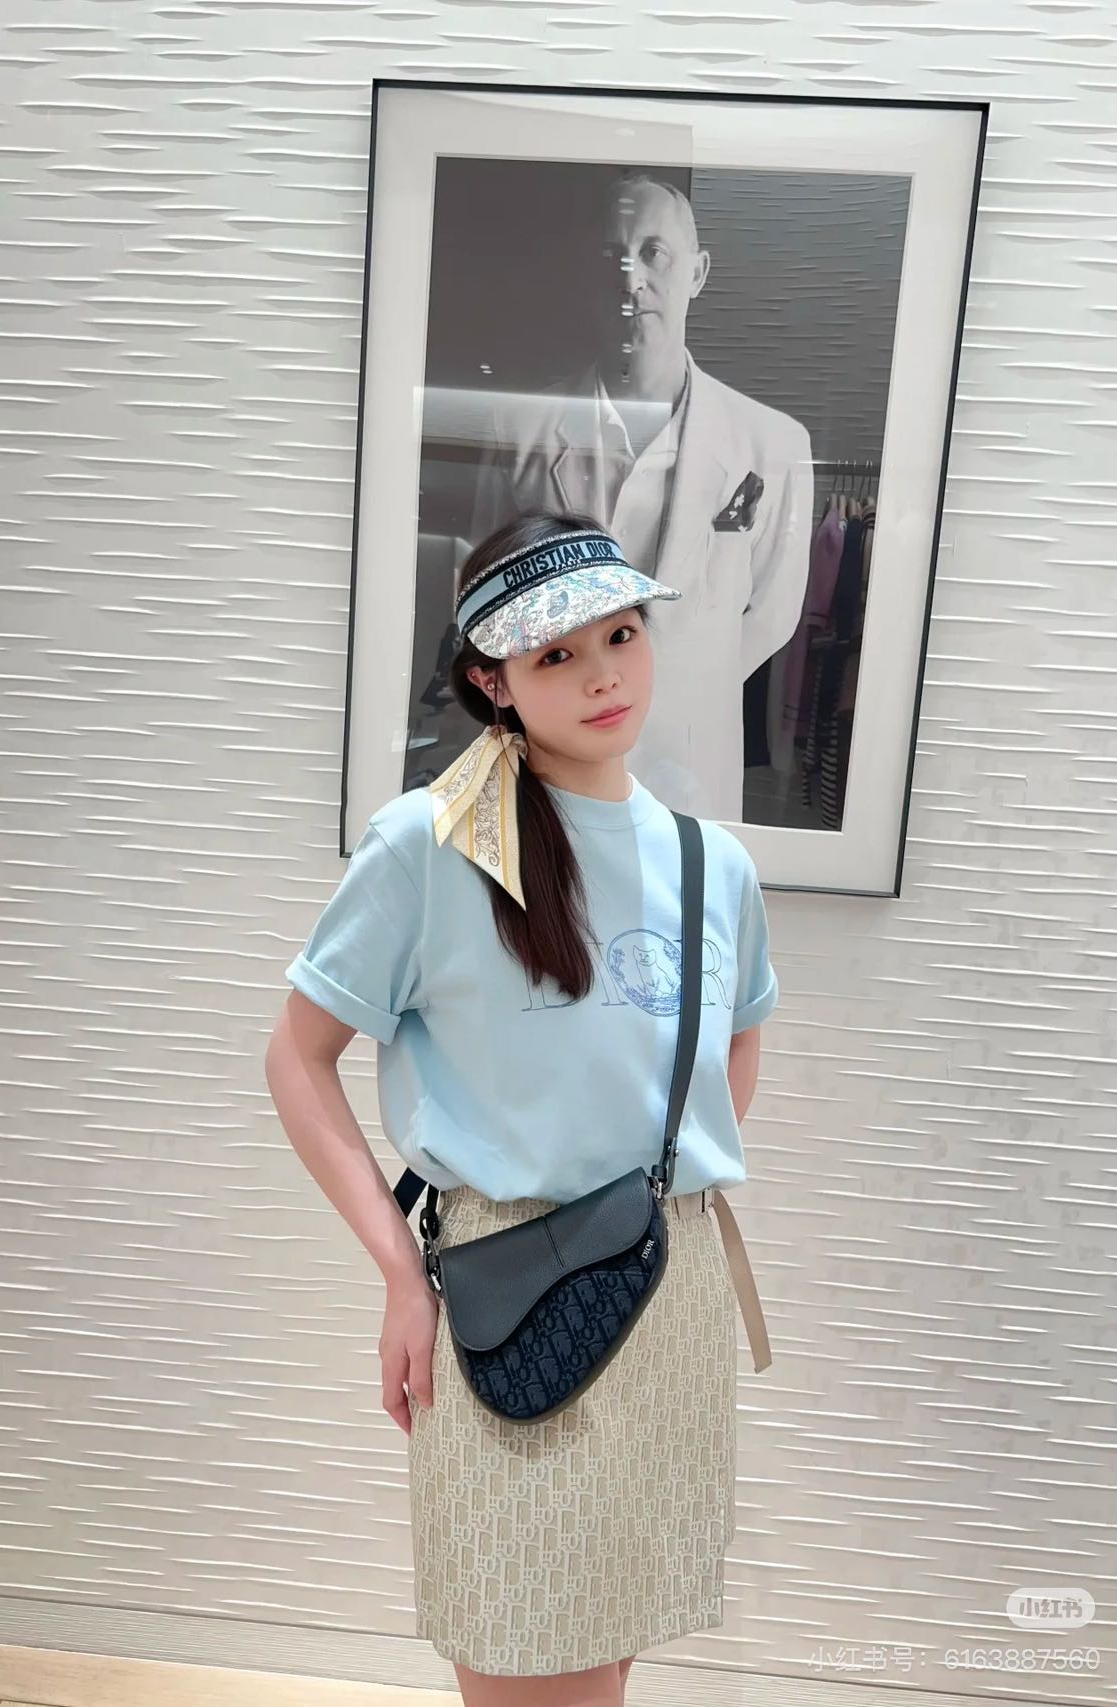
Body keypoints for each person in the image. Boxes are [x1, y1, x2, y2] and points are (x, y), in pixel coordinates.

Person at [265, 510, 780, 1705]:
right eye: (556, 653)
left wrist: (648, 1189)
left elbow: (731, 1052)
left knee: (607, 1656)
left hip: (669, 1293)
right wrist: (401, 1274)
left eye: (621, 634)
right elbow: (297, 1059)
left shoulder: (711, 864)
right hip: (503, 1293)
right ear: (492, 680)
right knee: (522, 1658)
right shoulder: (426, 847)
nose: (603, 674)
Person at [465, 171, 815, 821]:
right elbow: (491, 603)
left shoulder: (772, 444)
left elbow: (772, 615)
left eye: (654, 253)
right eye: (611, 257)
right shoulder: (515, 432)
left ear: (697, 272)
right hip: (550, 760)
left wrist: (677, 691)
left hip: (694, 759)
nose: (631, 278)